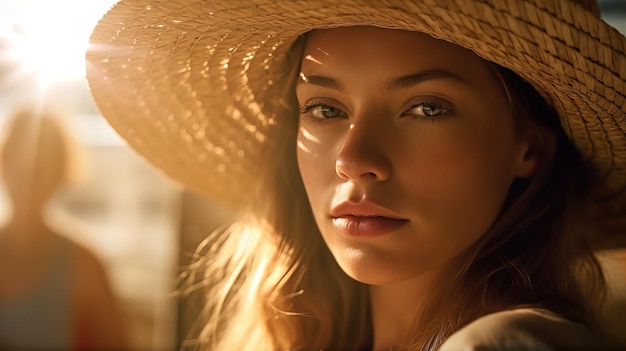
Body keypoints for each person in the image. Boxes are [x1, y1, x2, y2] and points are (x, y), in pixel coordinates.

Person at [85, 0, 626, 350]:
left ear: (527, 148)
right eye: (325, 108)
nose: (353, 158)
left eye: (427, 108)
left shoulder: (509, 344)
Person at [0, 107, 128, 350]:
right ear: (3, 162)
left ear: (61, 172)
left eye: (39, 167)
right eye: (18, 160)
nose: (27, 177)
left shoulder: (84, 264)